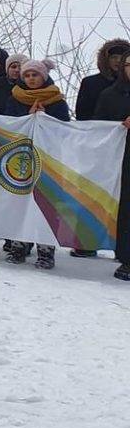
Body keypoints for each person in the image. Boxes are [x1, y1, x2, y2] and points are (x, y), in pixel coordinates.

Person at [0, 57, 71, 269]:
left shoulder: (56, 100)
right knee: (21, 200)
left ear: (43, 76)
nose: (31, 79)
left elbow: (64, 129)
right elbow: (9, 125)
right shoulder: (15, 98)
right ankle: (19, 244)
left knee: (47, 202)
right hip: (22, 158)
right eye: (27, 75)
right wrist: (27, 118)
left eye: (34, 75)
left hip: (49, 159)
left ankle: (46, 249)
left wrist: (45, 119)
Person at [91, 59, 130, 281]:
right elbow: (99, 126)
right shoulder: (109, 95)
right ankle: (126, 258)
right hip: (121, 159)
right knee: (125, 209)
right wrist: (119, 125)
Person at [77, 39, 130, 123]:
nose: (118, 61)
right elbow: (82, 117)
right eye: (114, 57)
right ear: (106, 60)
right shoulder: (90, 83)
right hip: (99, 133)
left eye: (122, 57)